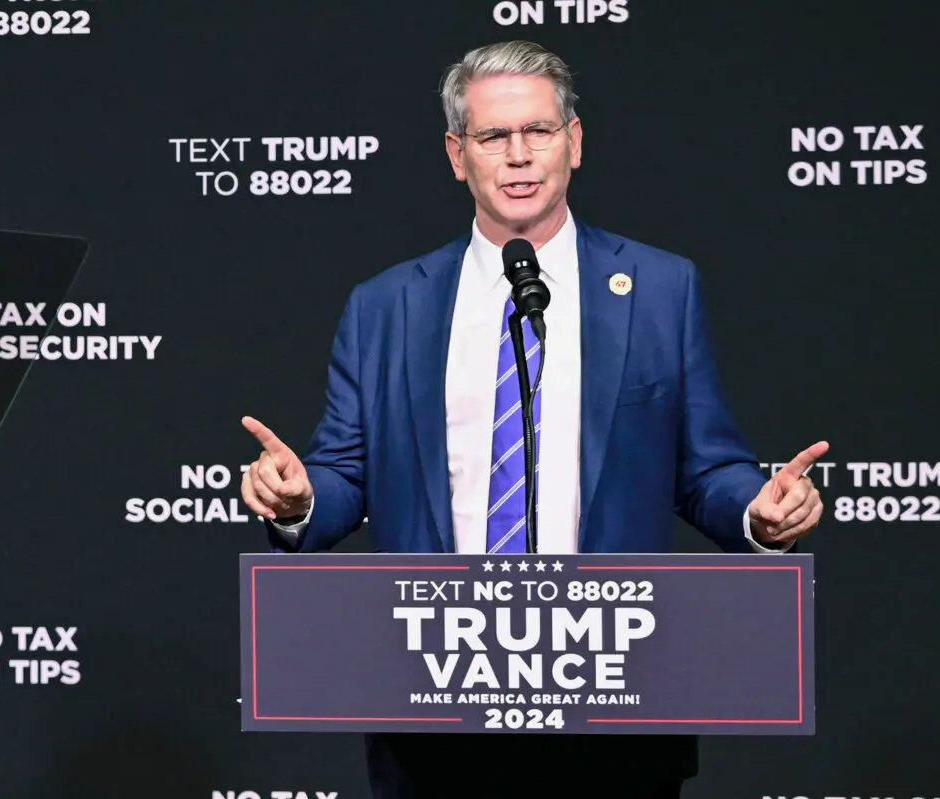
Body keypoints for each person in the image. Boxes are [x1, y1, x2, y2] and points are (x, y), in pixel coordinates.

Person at [240, 40, 827, 799]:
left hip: (617, 699)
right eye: (492, 136)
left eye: (539, 132)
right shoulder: (387, 306)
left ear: (574, 143)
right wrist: (300, 500)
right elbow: (346, 473)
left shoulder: (659, 289)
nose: (519, 156)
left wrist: (758, 509)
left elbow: (704, 467)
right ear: (458, 155)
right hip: (434, 701)